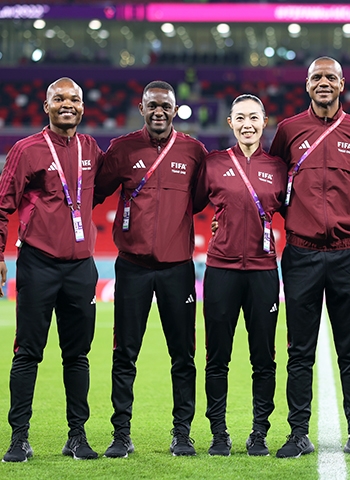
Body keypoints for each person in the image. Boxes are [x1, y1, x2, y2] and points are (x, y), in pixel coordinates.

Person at [268, 56, 350, 459]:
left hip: (349, 254)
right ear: (306, 84)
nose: (323, 83)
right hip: (301, 253)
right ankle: (298, 431)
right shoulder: (288, 131)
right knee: (299, 349)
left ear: (342, 83)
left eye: (330, 77)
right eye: (317, 77)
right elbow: (270, 184)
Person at [94, 80, 207, 457]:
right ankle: (121, 434)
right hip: (132, 267)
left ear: (175, 110)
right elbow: (91, 191)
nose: (159, 112)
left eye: (166, 106)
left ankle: (182, 433)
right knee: (124, 352)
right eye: (152, 105)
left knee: (183, 354)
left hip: (177, 269)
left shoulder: (194, 151)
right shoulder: (122, 149)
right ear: (141, 108)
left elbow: (211, 197)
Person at [0, 78, 103, 462]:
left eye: (74, 98)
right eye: (59, 98)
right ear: (46, 105)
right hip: (38, 265)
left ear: (82, 106)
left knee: (78, 355)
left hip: (81, 268)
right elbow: (2, 205)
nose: (67, 104)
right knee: (28, 353)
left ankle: (77, 436)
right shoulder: (25, 150)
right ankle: (19, 438)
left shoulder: (91, 149)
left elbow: (108, 188)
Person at [193, 94, 286, 457]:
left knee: (263, 358)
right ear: (230, 123)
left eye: (254, 117)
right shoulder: (213, 164)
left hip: (264, 271)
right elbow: (189, 204)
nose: (247, 124)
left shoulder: (278, 167)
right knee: (218, 357)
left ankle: (259, 432)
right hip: (220, 270)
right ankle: (218, 432)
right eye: (240, 118)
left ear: (265, 122)